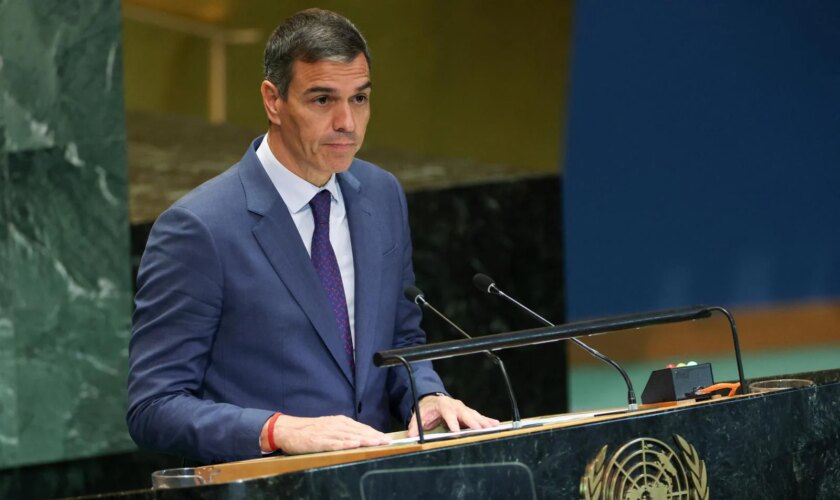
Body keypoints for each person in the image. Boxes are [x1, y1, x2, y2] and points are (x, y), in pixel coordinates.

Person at [126, 8, 497, 465]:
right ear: (272, 100)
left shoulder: (381, 196)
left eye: (359, 99)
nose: (347, 122)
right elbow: (154, 407)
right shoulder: (199, 229)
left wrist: (426, 396)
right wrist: (276, 429)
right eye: (323, 100)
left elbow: (401, 340)